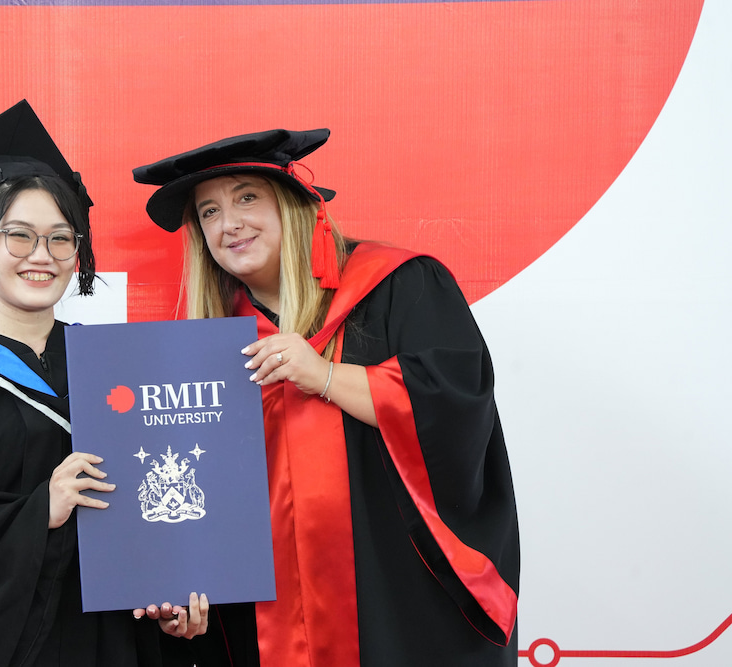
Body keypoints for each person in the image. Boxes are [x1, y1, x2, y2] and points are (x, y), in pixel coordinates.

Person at [132, 129, 520, 666]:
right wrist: (183, 584)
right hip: (268, 614)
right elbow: (198, 491)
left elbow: (456, 407)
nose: (230, 223)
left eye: (247, 197)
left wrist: (326, 377)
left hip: (394, 603)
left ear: (295, 206)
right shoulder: (209, 346)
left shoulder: (398, 286)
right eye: (209, 212)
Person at [0, 100, 204, 667]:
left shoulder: (118, 371)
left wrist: (177, 597)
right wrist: (38, 512)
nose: (41, 257)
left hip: (117, 643)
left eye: (60, 238)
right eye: (19, 236)